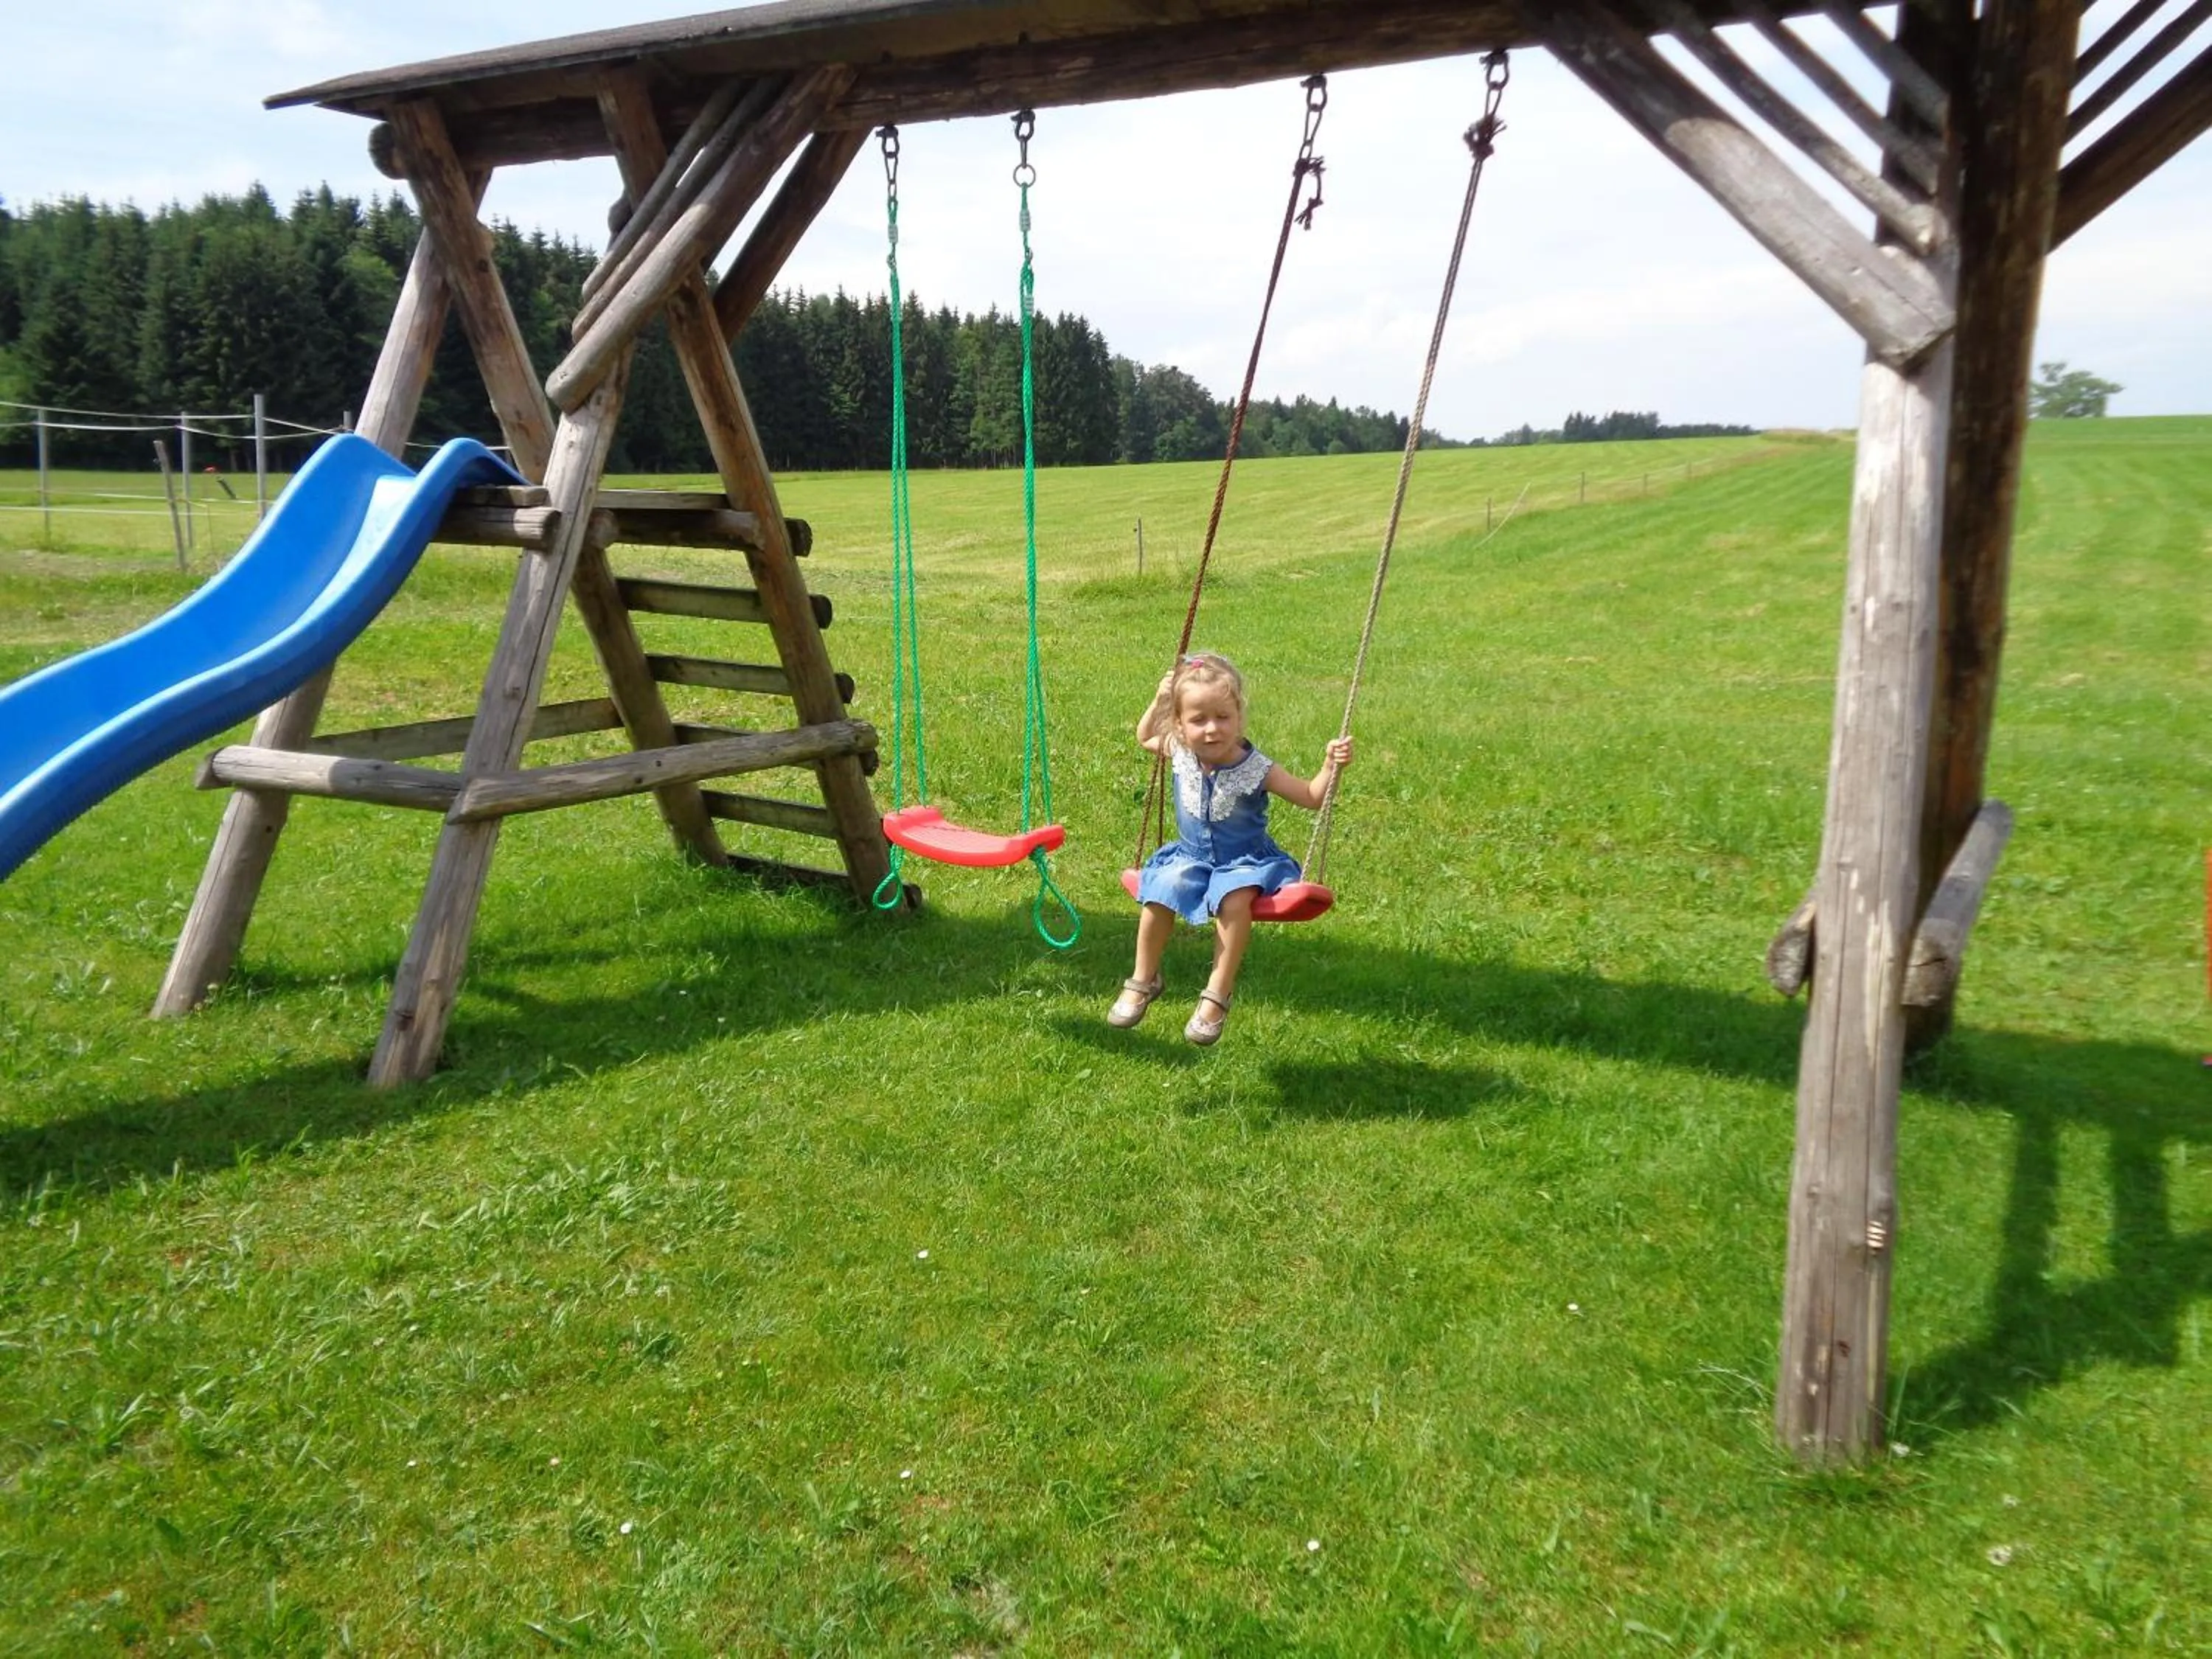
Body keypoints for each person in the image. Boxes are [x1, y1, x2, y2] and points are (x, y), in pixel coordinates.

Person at [1107, 652, 1352, 1045]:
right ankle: (1143, 979)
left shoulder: (1257, 768)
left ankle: (1216, 995)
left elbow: (1311, 797)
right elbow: (1143, 737)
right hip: (1192, 857)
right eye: (1198, 719)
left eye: (1223, 717)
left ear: (1239, 716)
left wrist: (1330, 765)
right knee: (1159, 890)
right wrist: (1159, 699)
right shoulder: (1179, 750)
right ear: (1180, 724)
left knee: (1234, 900)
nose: (1211, 729)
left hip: (1246, 863)